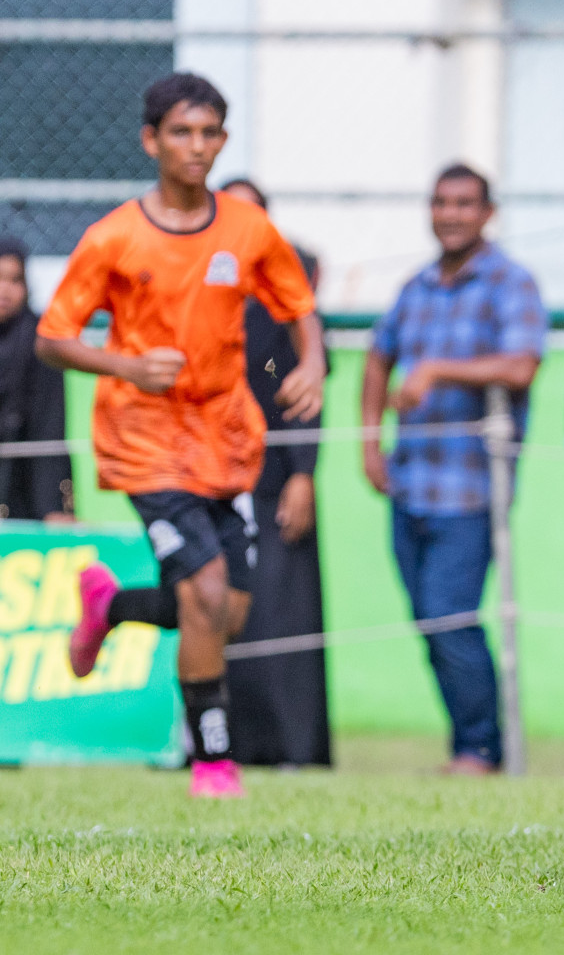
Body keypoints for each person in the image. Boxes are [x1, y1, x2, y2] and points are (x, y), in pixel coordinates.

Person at [40, 72, 325, 798]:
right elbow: (54, 337)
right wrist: (126, 365)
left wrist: (314, 363)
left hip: (227, 441)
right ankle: (214, 761)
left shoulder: (247, 228)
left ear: (222, 141)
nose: (196, 147)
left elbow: (298, 304)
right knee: (202, 589)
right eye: (181, 132)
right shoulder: (113, 237)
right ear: (151, 140)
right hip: (145, 441)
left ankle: (111, 606)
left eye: (209, 134)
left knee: (226, 611)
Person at [362, 163, 547, 776]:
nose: (451, 213)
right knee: (428, 621)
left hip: (469, 490)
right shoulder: (415, 287)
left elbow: (522, 366)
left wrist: (438, 369)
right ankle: (469, 745)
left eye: (465, 203)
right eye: (442, 202)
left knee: (450, 616)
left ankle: (480, 750)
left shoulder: (509, 283)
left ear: (487, 213)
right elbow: (377, 356)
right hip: (409, 482)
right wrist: (369, 441)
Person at [215, 177, 332, 768]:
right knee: (220, 612)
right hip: (210, 482)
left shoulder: (290, 300)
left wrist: (303, 474)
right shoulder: (199, 291)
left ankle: (294, 750)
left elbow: (308, 395)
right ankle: (223, 746)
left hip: (275, 484)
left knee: (284, 619)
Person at [0, 237, 73, 523]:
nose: (5, 290)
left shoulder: (42, 343)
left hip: (24, 488)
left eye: (15, 280)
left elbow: (50, 429)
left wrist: (54, 507)